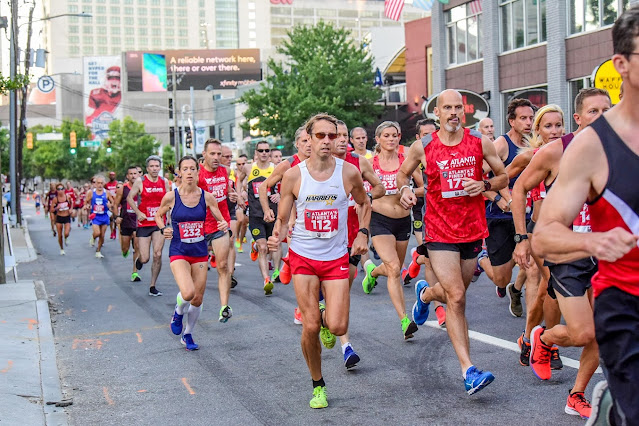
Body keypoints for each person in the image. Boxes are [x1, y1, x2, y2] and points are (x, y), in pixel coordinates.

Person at [533, 15, 639, 421]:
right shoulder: (592, 146)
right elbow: (545, 236)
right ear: (622, 64)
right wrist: (594, 241)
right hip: (626, 301)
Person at [398, 89, 508, 395]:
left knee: (453, 294)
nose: (454, 113)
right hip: (439, 230)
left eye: (458, 107)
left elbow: (503, 177)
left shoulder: (479, 142)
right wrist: (405, 190)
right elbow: (402, 175)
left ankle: (425, 295)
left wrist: (484, 184)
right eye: (447, 108)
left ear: (464, 111)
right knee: (457, 297)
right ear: (437, 113)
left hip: (472, 229)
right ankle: (468, 370)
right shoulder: (424, 146)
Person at [512, 89, 611, 420]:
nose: (602, 117)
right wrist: (521, 238)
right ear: (578, 118)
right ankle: (543, 338)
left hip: (605, 253)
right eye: (594, 111)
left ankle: (577, 394)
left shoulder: (619, 153)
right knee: (582, 332)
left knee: (602, 330)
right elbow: (519, 188)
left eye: (607, 110)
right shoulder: (556, 151)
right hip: (566, 254)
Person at [267, 113, 370, 409]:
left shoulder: (348, 172)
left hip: (336, 257)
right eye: (320, 135)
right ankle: (318, 385)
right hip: (303, 256)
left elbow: (364, 203)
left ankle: (327, 319)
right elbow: (283, 218)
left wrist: (362, 233)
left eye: (332, 136)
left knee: (337, 326)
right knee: (310, 326)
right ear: (309, 139)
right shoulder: (294, 175)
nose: (327, 141)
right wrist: (277, 235)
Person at [156, 155, 228, 351]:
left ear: (198, 172)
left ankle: (187, 334)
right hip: (179, 250)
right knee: (188, 293)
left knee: (198, 297)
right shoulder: (171, 196)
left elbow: (221, 219)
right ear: (180, 173)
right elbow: (158, 215)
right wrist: (164, 228)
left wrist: (223, 224)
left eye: (192, 169)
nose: (189, 172)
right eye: (185, 169)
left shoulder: (207, 197)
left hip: (199, 251)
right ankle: (178, 312)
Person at [361, 121, 424, 340]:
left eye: (394, 135)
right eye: (386, 135)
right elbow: (357, 189)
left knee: (392, 269)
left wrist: (409, 192)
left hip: (403, 221)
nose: (391, 139)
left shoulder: (407, 161)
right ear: (377, 139)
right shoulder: (370, 163)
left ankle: (373, 272)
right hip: (379, 220)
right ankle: (405, 320)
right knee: (395, 268)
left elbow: (424, 187)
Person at [477, 99, 537, 314]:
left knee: (532, 263)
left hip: (529, 214)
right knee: (501, 278)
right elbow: (477, 177)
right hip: (500, 216)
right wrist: (497, 198)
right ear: (512, 121)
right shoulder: (502, 144)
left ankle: (518, 292)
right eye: (523, 118)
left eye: (531, 118)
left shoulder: (536, 143)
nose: (528, 123)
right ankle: (482, 261)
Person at [333, 119, 384, 367]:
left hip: (352, 237)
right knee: (329, 294)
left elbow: (380, 187)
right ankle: (338, 333)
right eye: (338, 135)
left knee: (343, 292)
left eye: (345, 135)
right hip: (324, 240)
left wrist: (365, 197)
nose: (343, 140)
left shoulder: (359, 162)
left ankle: (344, 344)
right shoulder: (315, 166)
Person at [198, 139, 236, 322]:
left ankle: (224, 307)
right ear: (204, 154)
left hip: (221, 224)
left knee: (223, 266)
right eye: (212, 153)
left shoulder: (225, 170)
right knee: (199, 270)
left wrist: (232, 195)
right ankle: (192, 302)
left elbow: (227, 191)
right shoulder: (197, 174)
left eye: (219, 154)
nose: (216, 157)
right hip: (200, 226)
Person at [240, 142, 281, 295]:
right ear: (256, 152)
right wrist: (240, 194)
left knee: (272, 246)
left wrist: (280, 194)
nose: (264, 153)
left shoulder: (276, 168)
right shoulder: (248, 168)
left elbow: (287, 185)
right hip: (255, 214)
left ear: (269, 152)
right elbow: (239, 180)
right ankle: (266, 279)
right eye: (261, 150)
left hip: (272, 214)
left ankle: (274, 269)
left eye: (266, 150)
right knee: (263, 247)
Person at [127, 155, 170, 297]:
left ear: (160, 167)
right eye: (152, 166)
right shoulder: (141, 181)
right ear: (147, 168)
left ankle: (153, 285)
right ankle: (139, 260)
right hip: (144, 223)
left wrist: (168, 215)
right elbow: (129, 198)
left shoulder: (164, 182)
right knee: (145, 258)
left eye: (157, 166)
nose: (154, 169)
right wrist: (138, 212)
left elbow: (169, 200)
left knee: (158, 254)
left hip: (159, 223)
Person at [112, 166, 142, 282]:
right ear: (127, 176)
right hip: (126, 221)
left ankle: (135, 272)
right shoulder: (123, 189)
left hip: (138, 222)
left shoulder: (142, 188)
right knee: (125, 247)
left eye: (135, 173)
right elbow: (115, 204)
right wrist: (117, 217)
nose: (133, 176)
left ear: (139, 175)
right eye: (131, 174)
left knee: (137, 246)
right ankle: (125, 250)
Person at [220, 145, 240, 288]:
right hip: (213, 213)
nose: (229, 159)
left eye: (230, 157)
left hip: (229, 210)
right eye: (226, 157)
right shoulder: (208, 173)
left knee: (231, 240)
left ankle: (230, 275)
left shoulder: (230, 172)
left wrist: (236, 196)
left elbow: (233, 189)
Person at [84, 175, 111, 258]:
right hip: (95, 216)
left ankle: (98, 251)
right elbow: (86, 202)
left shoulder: (107, 193)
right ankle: (93, 237)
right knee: (97, 233)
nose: (100, 185)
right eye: (98, 183)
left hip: (104, 216)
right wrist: (87, 206)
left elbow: (113, 202)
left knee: (102, 235)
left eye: (101, 183)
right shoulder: (91, 192)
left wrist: (110, 205)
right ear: (95, 184)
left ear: (104, 183)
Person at [50, 183, 72, 255]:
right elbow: (51, 210)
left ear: (64, 190)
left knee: (66, 232)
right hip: (59, 217)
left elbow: (71, 203)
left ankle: (66, 238)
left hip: (66, 216)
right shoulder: (55, 199)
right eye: (59, 189)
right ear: (57, 190)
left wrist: (71, 209)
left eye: (62, 189)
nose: (60, 191)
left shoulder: (67, 197)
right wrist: (57, 208)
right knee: (60, 235)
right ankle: (62, 249)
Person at [234, 154, 249, 253]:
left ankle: (241, 241)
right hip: (237, 200)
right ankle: (237, 237)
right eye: (239, 164)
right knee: (240, 220)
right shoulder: (234, 174)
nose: (241, 166)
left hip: (247, 200)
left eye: (243, 163)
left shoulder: (250, 172)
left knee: (244, 223)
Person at [105, 172, 119, 240]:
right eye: (111, 175)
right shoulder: (106, 185)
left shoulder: (117, 184)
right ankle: (111, 231)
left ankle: (114, 229)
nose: (112, 176)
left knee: (115, 217)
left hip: (116, 202)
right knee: (111, 217)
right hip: (110, 202)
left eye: (113, 175)